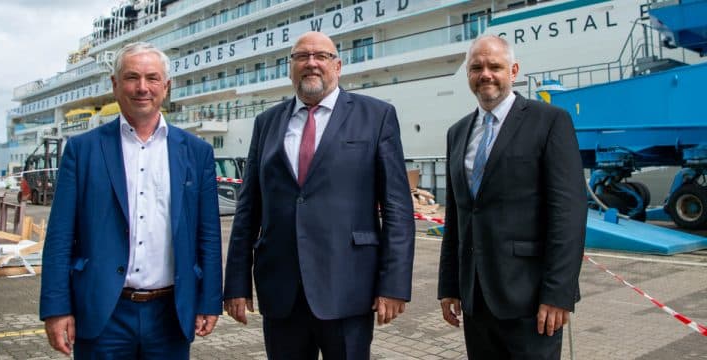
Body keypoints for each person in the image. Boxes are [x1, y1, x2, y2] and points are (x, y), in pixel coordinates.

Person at [223, 31, 415, 359]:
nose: (311, 63)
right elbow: (248, 209)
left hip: (349, 286)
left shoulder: (376, 116)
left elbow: (397, 205)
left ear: (337, 66)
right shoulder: (266, 122)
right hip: (281, 290)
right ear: (290, 67)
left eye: (321, 56)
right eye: (301, 56)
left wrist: (394, 283)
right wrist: (236, 284)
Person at [40, 42, 222, 359]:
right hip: (103, 311)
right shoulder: (82, 150)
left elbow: (208, 234)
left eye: (152, 78)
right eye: (131, 77)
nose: (142, 88)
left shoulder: (196, 151)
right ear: (114, 84)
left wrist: (208, 301)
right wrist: (56, 309)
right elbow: (60, 236)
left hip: (170, 313)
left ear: (166, 87)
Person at [438, 35, 586, 359]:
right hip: (476, 299)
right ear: (468, 75)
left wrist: (558, 293)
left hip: (531, 301)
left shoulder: (549, 122)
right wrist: (449, 285)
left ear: (514, 70)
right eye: (476, 67)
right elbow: (457, 217)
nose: (485, 74)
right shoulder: (458, 133)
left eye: (495, 66)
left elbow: (568, 214)